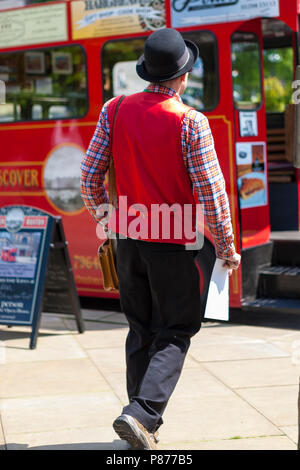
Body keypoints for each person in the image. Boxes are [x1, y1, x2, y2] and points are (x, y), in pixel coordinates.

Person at [81, 28, 241, 450]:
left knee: (140, 329)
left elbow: (89, 175)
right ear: (183, 76)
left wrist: (106, 217)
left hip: (128, 237)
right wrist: (226, 248)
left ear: (147, 72)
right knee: (176, 328)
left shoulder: (114, 110)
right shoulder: (190, 122)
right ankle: (142, 413)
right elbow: (212, 194)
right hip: (176, 242)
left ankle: (140, 422)